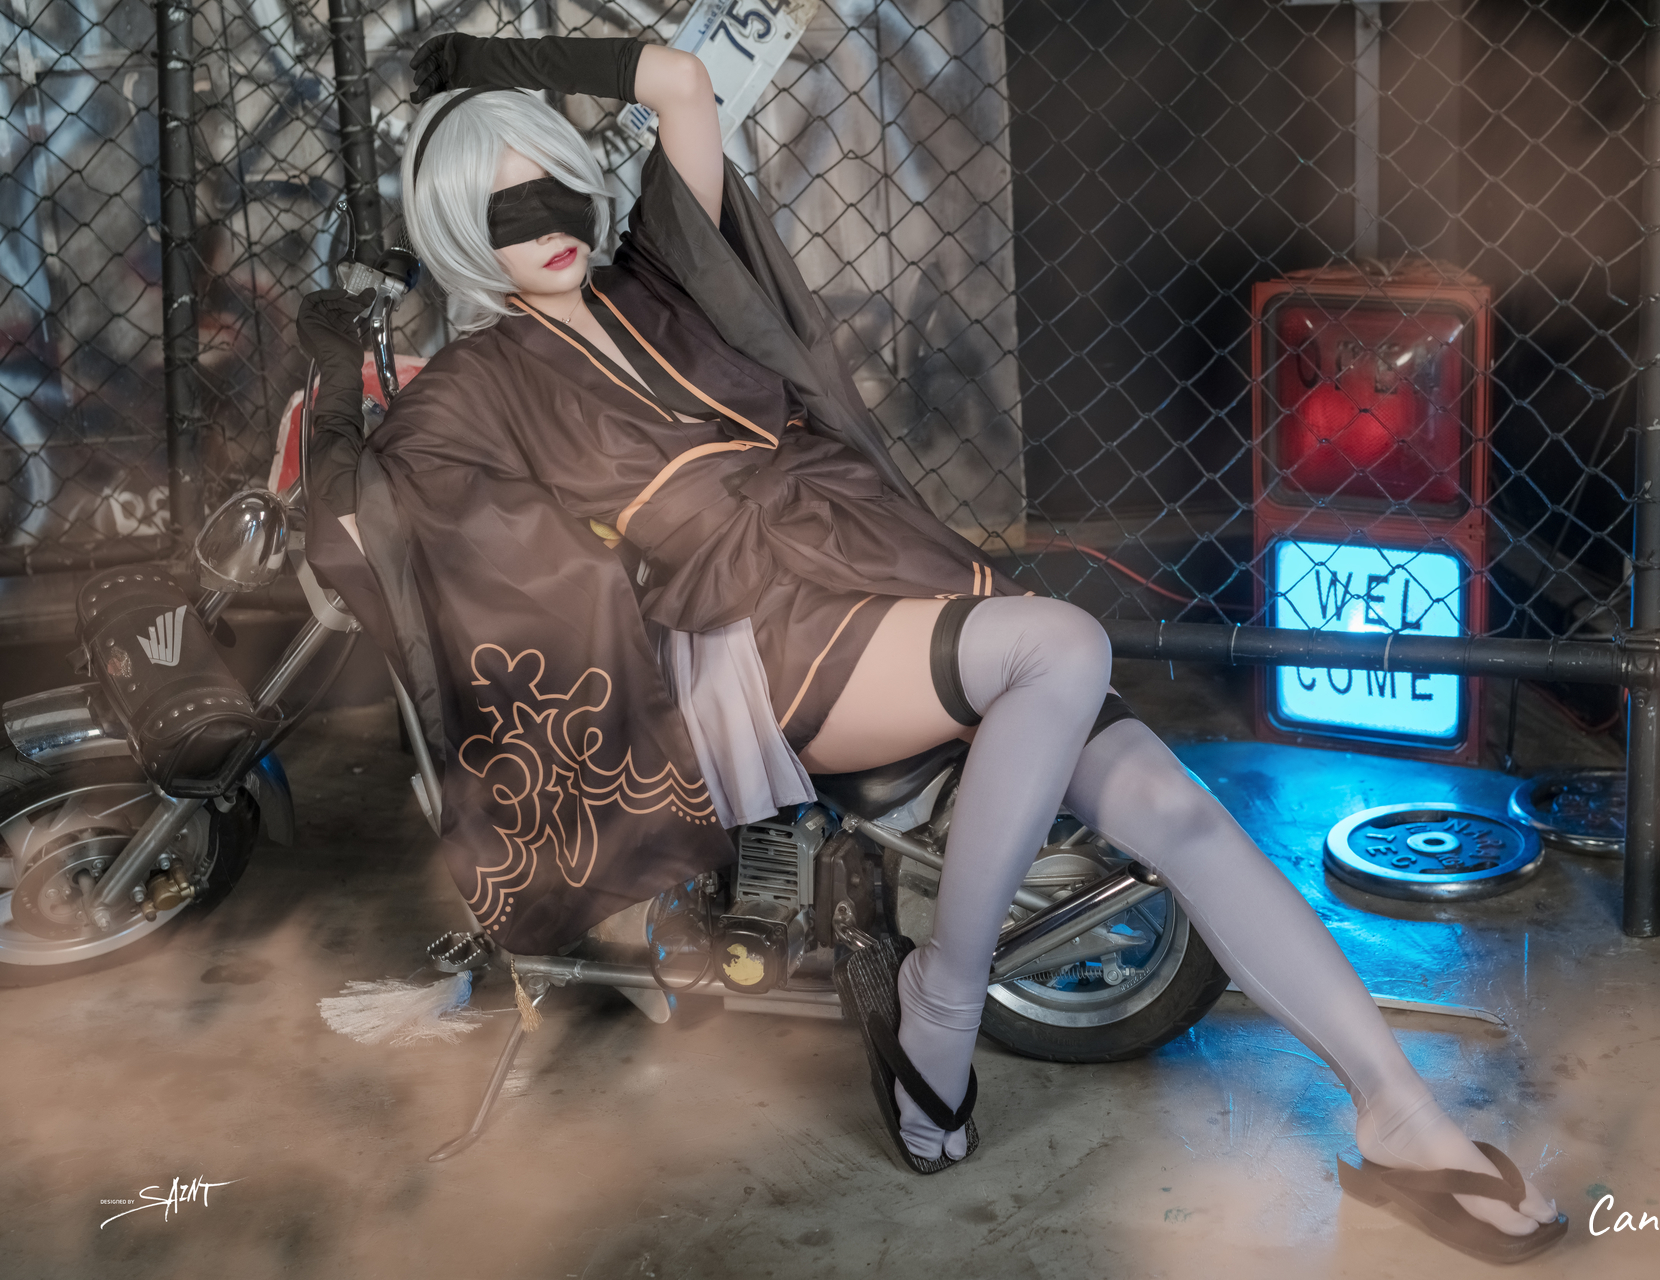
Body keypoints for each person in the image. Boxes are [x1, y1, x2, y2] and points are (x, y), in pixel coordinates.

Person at [295, 34, 1565, 1263]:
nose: (546, 224)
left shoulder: (657, 278)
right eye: (502, 210)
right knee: (1058, 648)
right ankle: (940, 1004)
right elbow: (405, 542)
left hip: (886, 568)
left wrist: (481, 61)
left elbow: (678, 81)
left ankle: (1401, 1115)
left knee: (1177, 811)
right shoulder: (472, 386)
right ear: (456, 230)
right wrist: (341, 399)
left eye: (557, 185)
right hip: (753, 639)